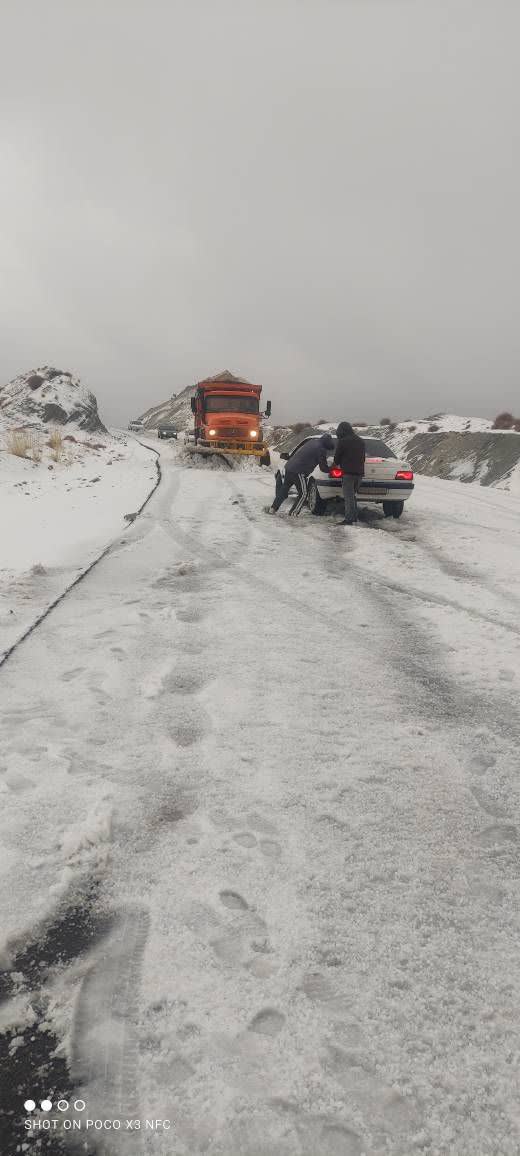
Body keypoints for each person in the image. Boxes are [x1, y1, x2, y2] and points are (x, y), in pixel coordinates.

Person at [266, 433, 335, 515]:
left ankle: (273, 509)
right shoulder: (321, 449)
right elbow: (323, 468)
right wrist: (332, 469)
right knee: (303, 494)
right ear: (327, 443)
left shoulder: (312, 442)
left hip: (289, 468)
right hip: (299, 471)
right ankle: (293, 513)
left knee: (284, 491)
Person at [333, 422, 366, 524]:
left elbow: (337, 458)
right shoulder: (361, 441)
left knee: (348, 498)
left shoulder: (343, 441)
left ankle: (349, 519)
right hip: (359, 473)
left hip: (348, 474)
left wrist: (334, 465)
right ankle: (354, 517)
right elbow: (363, 458)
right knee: (352, 496)